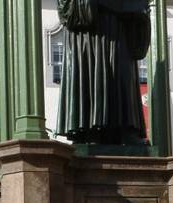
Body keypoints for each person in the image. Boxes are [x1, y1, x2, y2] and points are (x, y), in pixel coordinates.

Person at [56, 0, 149, 145]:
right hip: (89, 32)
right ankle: (91, 129)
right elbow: (68, 10)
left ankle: (125, 127)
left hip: (119, 27)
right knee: (93, 73)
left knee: (122, 73)